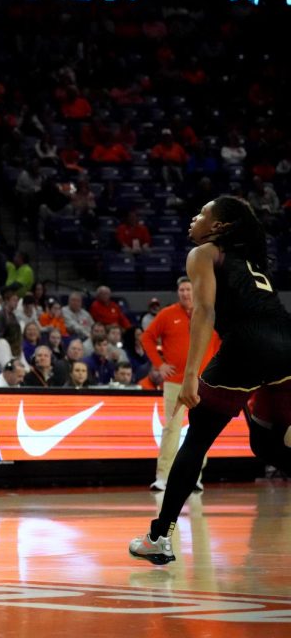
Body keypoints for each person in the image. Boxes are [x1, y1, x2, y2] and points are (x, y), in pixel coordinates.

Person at [130, 197, 291, 565]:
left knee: (197, 439)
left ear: (218, 227)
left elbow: (204, 311)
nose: (194, 218)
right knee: (266, 446)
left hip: (248, 345)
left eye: (202, 213)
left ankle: (159, 538)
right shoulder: (249, 260)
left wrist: (190, 377)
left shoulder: (204, 253)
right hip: (286, 344)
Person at [140, 276, 221, 492]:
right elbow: (147, 337)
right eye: (182, 290)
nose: (185, 293)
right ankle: (163, 477)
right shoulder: (167, 314)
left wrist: (216, 371)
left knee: (201, 430)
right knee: (171, 429)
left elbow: (221, 343)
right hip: (175, 382)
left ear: (196, 291)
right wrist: (159, 365)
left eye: (188, 289)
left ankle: (194, 476)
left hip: (203, 383)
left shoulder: (209, 313)